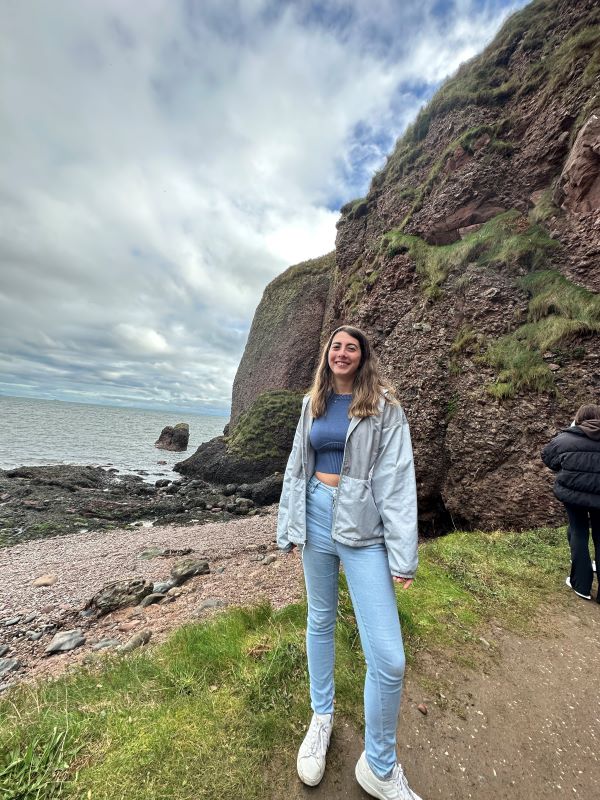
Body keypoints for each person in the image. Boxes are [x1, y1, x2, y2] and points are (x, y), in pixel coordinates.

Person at [277, 325, 422, 800]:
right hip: (316, 516)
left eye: (351, 347)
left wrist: (402, 554)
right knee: (319, 620)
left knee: (389, 658)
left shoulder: (385, 407)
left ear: (362, 357)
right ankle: (322, 718)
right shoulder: (311, 402)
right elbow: (297, 467)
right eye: (336, 346)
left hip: (364, 531)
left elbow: (398, 481)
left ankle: (379, 766)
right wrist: (290, 526)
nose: (342, 353)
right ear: (328, 355)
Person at [541, 404, 600, 601]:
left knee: (578, 532)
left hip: (574, 497)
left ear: (578, 419)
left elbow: (548, 458)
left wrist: (572, 428)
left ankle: (581, 586)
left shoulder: (566, 438)